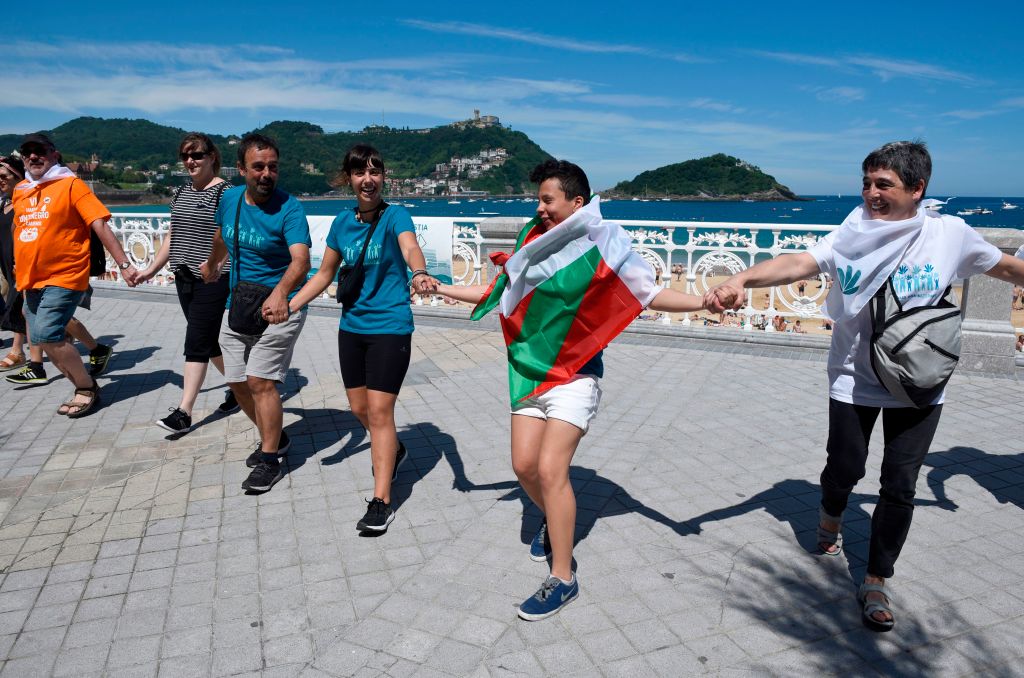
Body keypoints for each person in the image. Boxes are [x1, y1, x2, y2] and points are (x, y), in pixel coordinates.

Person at [707, 141, 1024, 633]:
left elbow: (1002, 266)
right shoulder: (851, 233)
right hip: (855, 376)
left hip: (920, 381)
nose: (871, 194)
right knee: (845, 467)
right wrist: (742, 279)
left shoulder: (949, 235)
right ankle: (831, 513)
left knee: (899, 486)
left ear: (918, 189)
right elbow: (797, 264)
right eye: (867, 183)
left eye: (884, 185)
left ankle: (876, 578)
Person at [435, 159, 707, 621]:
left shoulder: (603, 246)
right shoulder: (531, 243)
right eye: (538, 200)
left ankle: (562, 577)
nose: (538, 208)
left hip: (577, 375)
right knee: (523, 466)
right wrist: (441, 288)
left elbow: (647, 293)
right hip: (529, 371)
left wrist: (702, 301)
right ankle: (555, 520)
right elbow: (497, 291)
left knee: (550, 469)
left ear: (576, 203)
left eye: (547, 200)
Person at [288, 144, 438, 531]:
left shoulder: (396, 215)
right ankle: (396, 450)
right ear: (349, 179)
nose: (368, 179)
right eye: (360, 173)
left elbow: (410, 247)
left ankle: (381, 500)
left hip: (390, 327)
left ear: (383, 177)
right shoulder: (341, 224)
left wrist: (419, 272)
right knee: (359, 410)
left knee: (379, 413)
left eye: (375, 172)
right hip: (351, 327)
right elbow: (323, 275)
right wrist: (289, 305)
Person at [200, 133, 310, 493]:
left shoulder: (290, 208)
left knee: (261, 379)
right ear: (243, 169)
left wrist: (281, 293)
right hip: (240, 302)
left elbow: (301, 261)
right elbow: (222, 234)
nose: (266, 174)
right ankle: (274, 439)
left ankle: (269, 459)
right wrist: (214, 262)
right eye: (258, 167)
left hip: (282, 305)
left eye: (273, 168)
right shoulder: (230, 198)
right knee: (236, 380)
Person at [11, 134, 139, 416]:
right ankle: (81, 384)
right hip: (30, 277)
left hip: (64, 274)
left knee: (46, 333)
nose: (33, 156)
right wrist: (16, 263)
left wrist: (124, 264)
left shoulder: (70, 184)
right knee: (43, 339)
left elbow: (99, 224)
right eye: (27, 152)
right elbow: (19, 228)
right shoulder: (21, 189)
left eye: (39, 151)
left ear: (54, 155)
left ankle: (87, 388)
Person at [140, 133, 238, 433]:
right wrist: (150, 269)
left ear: (212, 157)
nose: (190, 161)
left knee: (196, 341)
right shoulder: (181, 192)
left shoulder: (226, 193)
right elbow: (172, 236)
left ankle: (184, 411)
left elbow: (228, 237)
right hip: (183, 276)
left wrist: (216, 265)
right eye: (185, 156)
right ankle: (240, 387)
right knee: (206, 342)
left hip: (213, 278)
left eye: (196, 155)